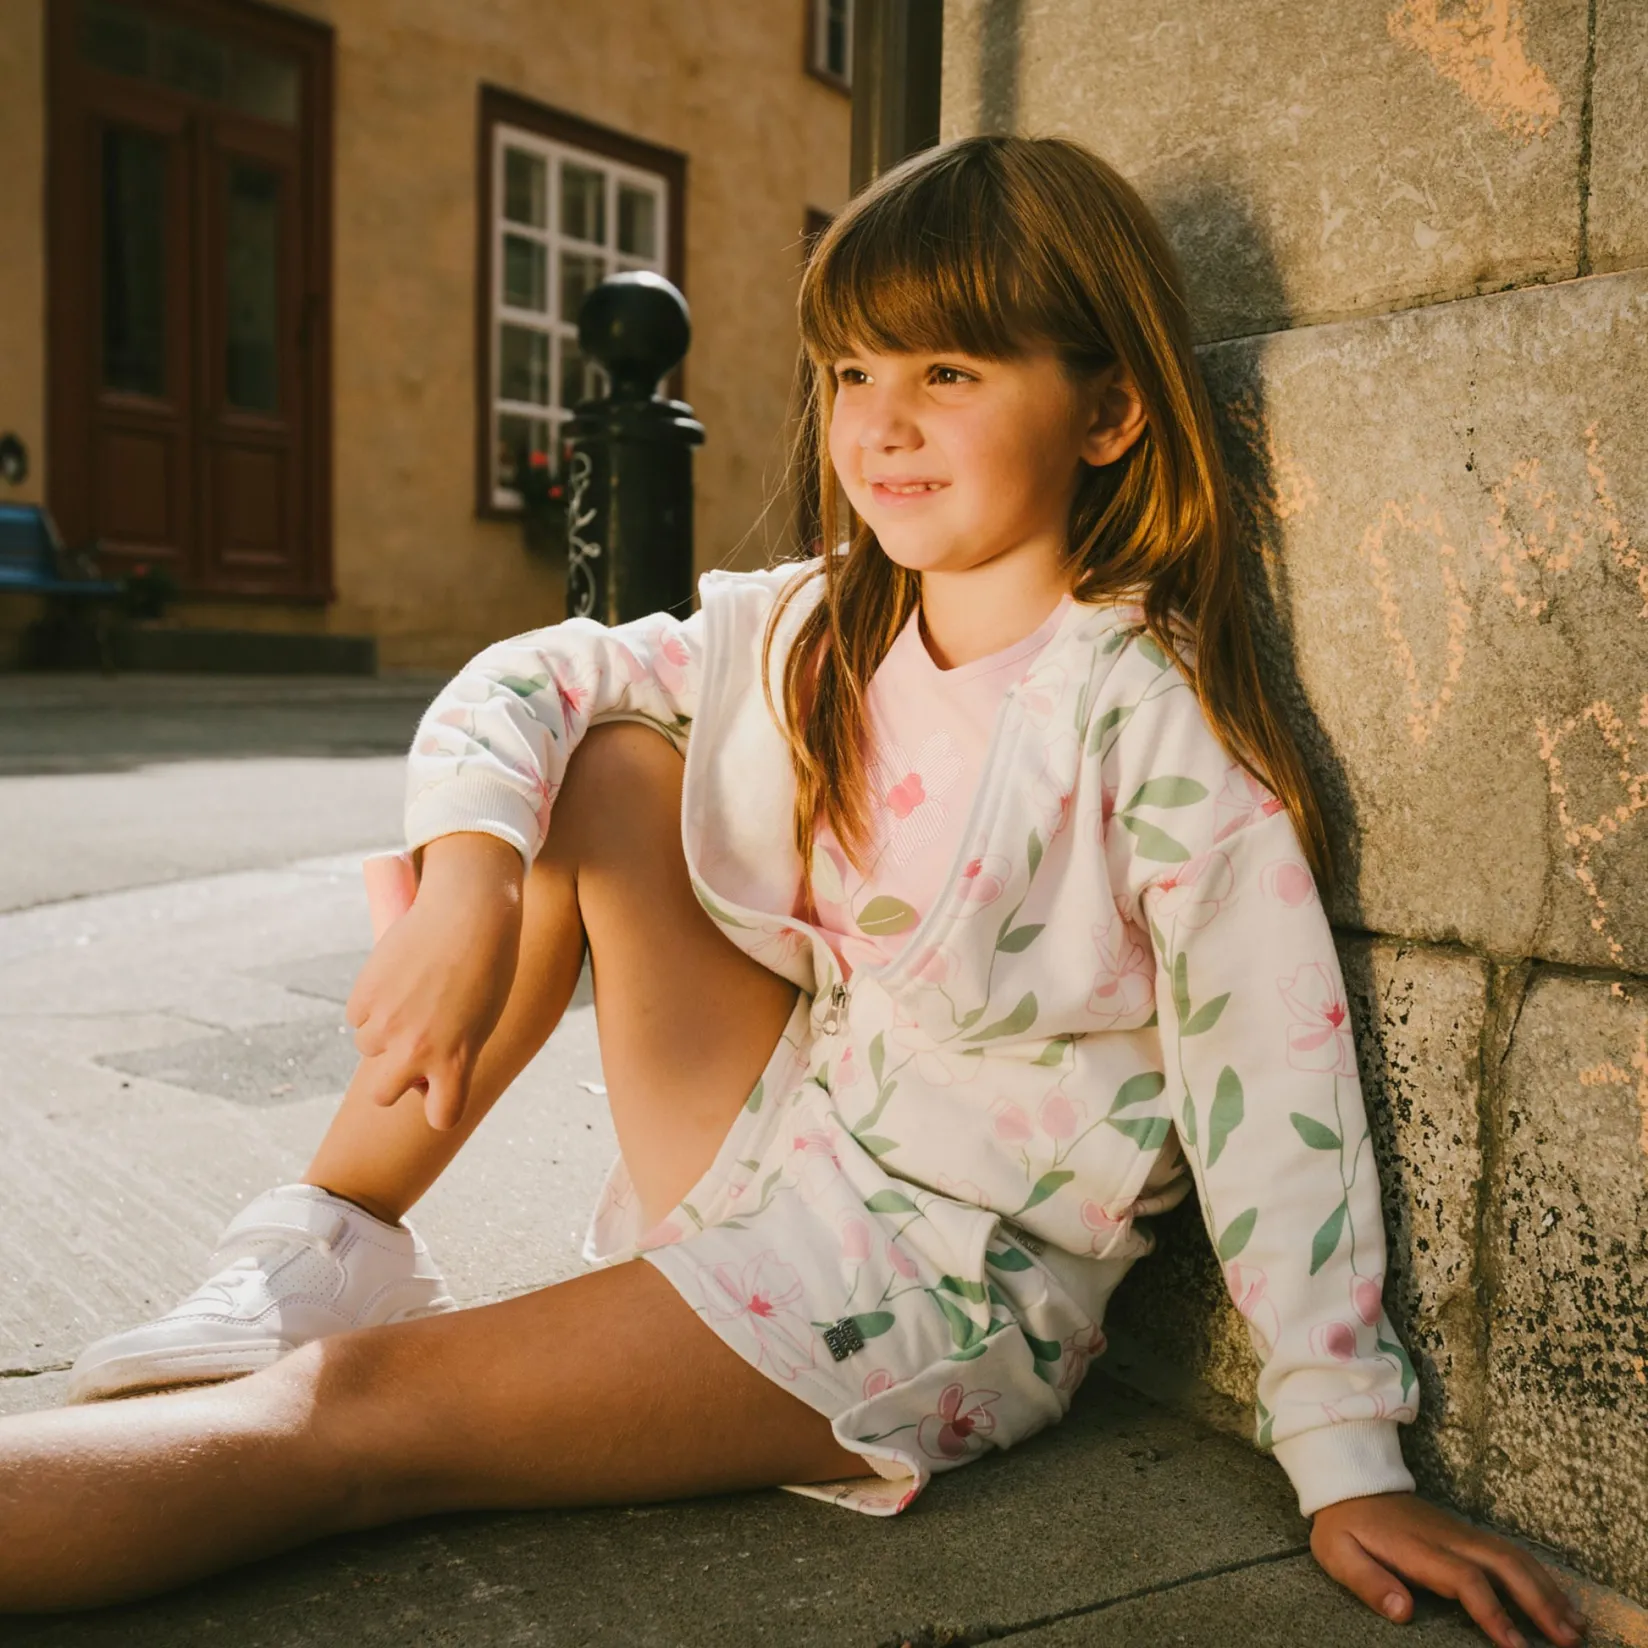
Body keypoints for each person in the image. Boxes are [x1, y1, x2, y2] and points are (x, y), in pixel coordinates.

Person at [1, 135, 1586, 1645]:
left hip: (932, 1288)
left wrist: (1345, 1453)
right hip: (778, 1134)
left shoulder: (1146, 723)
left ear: (1107, 415)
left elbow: (1272, 1085)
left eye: (947, 373)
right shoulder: (826, 628)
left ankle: (292, 1376)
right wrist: (471, 883)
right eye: (852, 374)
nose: (881, 423)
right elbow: (533, 677)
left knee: (347, 1420)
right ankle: (334, 1230)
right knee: (606, 753)